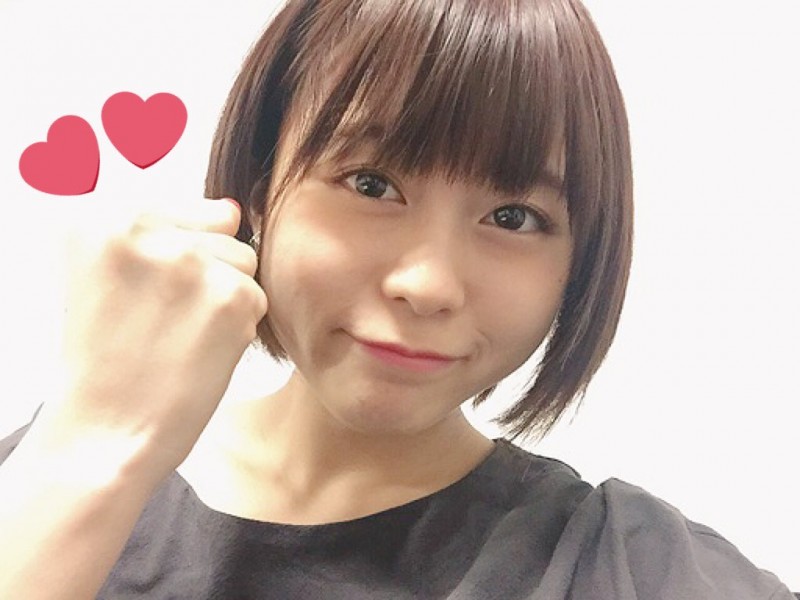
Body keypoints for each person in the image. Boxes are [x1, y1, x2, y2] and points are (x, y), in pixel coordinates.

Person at [0, 0, 795, 598]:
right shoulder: (39, 474)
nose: (428, 284)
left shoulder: (628, 568)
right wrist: (95, 451)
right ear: (261, 187)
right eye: (371, 183)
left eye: (512, 218)